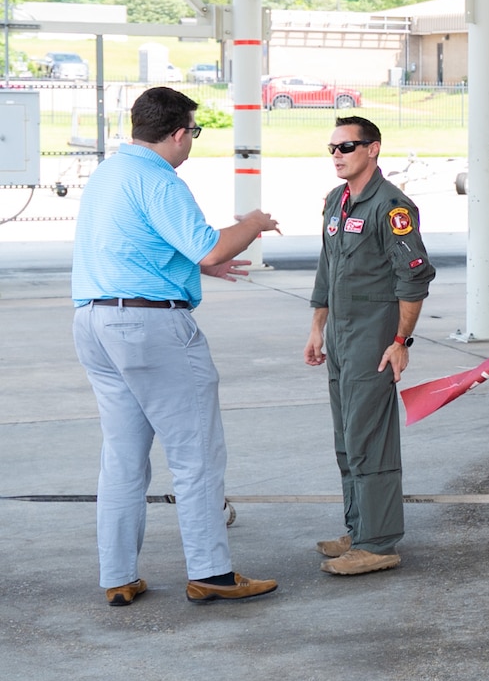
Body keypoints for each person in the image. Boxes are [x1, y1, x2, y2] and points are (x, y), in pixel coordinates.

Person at [71, 86, 281, 607]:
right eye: (195, 132)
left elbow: (138, 245)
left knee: (122, 457)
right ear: (180, 132)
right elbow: (210, 243)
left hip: (95, 322)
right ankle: (211, 572)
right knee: (196, 455)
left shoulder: (108, 175)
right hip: (150, 329)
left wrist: (198, 265)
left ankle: (118, 576)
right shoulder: (160, 180)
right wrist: (251, 225)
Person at [304, 115, 436, 575]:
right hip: (340, 334)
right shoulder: (336, 202)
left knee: (369, 437)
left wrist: (401, 341)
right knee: (346, 439)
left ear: (373, 149)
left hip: (372, 337)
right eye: (333, 148)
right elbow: (327, 268)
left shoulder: (392, 207)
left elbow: (414, 276)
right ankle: (359, 528)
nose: (337, 156)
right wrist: (317, 327)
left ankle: (379, 543)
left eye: (347, 147)